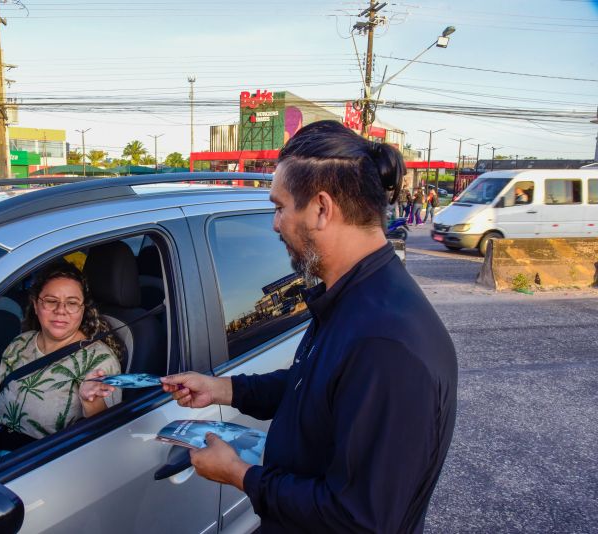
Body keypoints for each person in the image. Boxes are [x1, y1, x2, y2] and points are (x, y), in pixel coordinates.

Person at [161, 120, 457, 533]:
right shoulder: (353, 297)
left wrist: (240, 475)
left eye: (280, 207)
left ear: (321, 208)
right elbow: (313, 386)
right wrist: (223, 389)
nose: (275, 224)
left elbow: (360, 520)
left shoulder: (385, 343)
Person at [0, 262, 123, 462]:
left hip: (32, 464)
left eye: (72, 303)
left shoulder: (99, 360)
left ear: (82, 309)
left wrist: (91, 400)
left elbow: (103, 437)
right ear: (36, 305)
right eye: (51, 301)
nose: (61, 310)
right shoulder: (21, 343)